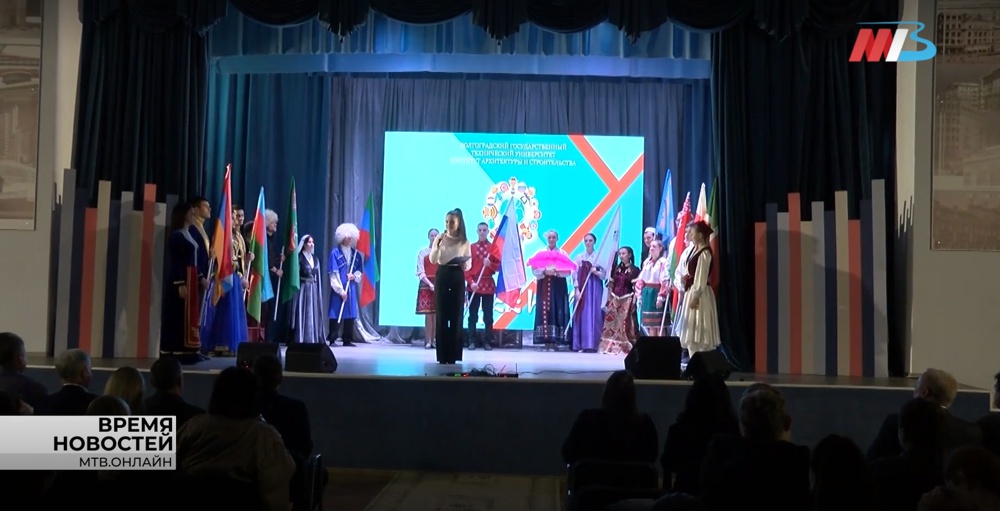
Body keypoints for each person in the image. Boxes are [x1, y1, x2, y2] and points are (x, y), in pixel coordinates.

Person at [160, 202, 208, 363]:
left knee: (189, 315)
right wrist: (180, 283)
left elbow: (192, 261)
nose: (193, 216)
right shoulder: (176, 236)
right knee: (178, 315)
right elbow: (177, 262)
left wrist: (201, 277)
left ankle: (191, 348)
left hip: (191, 277)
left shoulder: (188, 233)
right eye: (190, 213)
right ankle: (177, 350)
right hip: (182, 279)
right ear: (183, 215)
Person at [673, 221, 721, 359]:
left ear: (700, 235)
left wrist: (695, 296)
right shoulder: (694, 251)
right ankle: (694, 360)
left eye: (692, 233)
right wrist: (685, 278)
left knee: (698, 329)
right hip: (691, 291)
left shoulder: (704, 253)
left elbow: (701, 276)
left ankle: (701, 361)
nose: (690, 235)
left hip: (699, 294)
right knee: (691, 332)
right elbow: (691, 271)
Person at [430, 209, 471, 364]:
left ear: (459, 223)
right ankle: (442, 355)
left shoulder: (464, 241)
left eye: (452, 222)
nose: (448, 225)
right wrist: (437, 246)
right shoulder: (440, 238)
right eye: (447, 222)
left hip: (457, 276)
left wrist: (464, 264)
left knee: (456, 315)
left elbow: (468, 264)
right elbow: (433, 259)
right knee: (441, 315)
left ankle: (454, 355)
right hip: (442, 275)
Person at [530, 230, 572, 350]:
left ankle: (557, 340)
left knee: (559, 310)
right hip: (544, 284)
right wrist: (544, 271)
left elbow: (568, 271)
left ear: (557, 239)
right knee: (544, 310)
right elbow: (534, 269)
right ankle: (546, 340)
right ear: (547, 239)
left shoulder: (562, 253)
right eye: (549, 237)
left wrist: (556, 272)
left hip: (558, 286)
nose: (551, 239)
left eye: (554, 237)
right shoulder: (541, 253)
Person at [598, 247, 640, 355]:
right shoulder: (616, 269)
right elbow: (611, 284)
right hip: (615, 299)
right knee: (612, 324)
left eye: (624, 253)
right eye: (620, 254)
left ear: (629, 255)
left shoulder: (635, 270)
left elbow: (636, 287)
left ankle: (626, 347)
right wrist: (609, 298)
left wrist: (634, 301)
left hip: (627, 299)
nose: (621, 256)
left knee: (625, 324)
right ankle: (609, 346)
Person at [328, 223, 364, 348]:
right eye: (348, 237)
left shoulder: (356, 255)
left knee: (350, 312)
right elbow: (333, 273)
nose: (350, 240)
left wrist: (354, 276)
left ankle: (347, 339)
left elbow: (359, 271)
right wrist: (340, 290)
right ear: (342, 237)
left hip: (351, 287)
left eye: (351, 237)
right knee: (336, 312)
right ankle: (332, 337)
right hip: (339, 287)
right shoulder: (335, 253)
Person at [465, 222, 499, 351]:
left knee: (488, 316)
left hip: (488, 285)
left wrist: (490, 264)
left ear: (488, 231)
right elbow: (466, 268)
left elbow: (499, 267)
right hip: (474, 285)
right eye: (480, 230)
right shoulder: (471, 248)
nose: (482, 232)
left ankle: (487, 341)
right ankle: (471, 340)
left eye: (484, 230)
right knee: (472, 315)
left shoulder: (493, 248)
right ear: (477, 231)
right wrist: (471, 282)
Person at [571, 233, 605, 353]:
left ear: (594, 242)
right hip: (582, 288)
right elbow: (574, 274)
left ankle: (595, 344)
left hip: (595, 288)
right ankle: (582, 344)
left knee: (596, 314)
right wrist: (576, 289)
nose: (588, 243)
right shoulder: (579, 257)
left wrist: (596, 272)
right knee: (582, 314)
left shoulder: (599, 256)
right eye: (586, 240)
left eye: (590, 240)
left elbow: (605, 275)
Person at [290, 235, 327, 343]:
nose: (312, 244)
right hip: (303, 289)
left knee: (313, 312)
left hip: (313, 289)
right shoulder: (299, 258)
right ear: (304, 244)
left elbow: (317, 276)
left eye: (312, 242)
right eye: (309, 242)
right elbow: (295, 275)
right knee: (303, 312)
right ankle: (302, 337)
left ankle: (313, 337)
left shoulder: (315, 259)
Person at [636, 239, 670, 336]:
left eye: (654, 246)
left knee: (659, 325)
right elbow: (641, 280)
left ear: (660, 248)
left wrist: (661, 297)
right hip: (647, 294)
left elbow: (664, 280)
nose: (651, 248)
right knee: (650, 325)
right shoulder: (647, 262)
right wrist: (639, 295)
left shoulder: (663, 262)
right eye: (650, 246)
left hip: (656, 292)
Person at [415, 228, 440, 350]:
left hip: (439, 285)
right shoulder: (423, 252)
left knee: (437, 314)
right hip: (426, 285)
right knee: (429, 315)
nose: (434, 238)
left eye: (436, 235)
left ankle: (434, 340)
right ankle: (428, 341)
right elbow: (420, 271)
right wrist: (430, 284)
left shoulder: (442, 253)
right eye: (431, 235)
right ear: (428, 237)